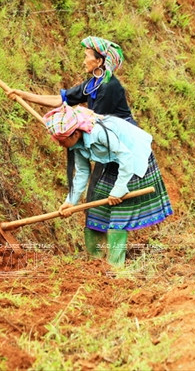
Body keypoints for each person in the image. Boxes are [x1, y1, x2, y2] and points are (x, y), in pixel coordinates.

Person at [8, 36, 138, 258]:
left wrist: (68, 128)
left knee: (116, 203)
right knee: (95, 200)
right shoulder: (92, 84)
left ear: (99, 61)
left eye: (87, 57)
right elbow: (63, 99)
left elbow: (97, 120)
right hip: (101, 146)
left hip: (122, 147)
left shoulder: (110, 87)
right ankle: (96, 261)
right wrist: (25, 95)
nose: (83, 61)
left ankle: (116, 265)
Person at [43, 103, 173, 265]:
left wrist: (119, 189)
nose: (60, 145)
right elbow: (83, 172)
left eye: (61, 141)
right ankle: (95, 262)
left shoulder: (98, 133)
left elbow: (126, 157)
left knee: (119, 214)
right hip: (115, 160)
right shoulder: (75, 144)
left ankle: (115, 267)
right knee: (97, 210)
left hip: (134, 156)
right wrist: (70, 201)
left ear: (75, 134)